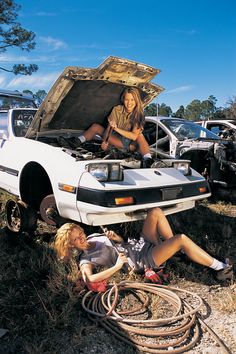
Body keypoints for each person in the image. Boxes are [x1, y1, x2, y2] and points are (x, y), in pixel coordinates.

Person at [53, 208, 233, 290]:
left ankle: (177, 251)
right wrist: (116, 266)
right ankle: (220, 269)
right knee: (181, 239)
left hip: (137, 244)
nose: (82, 238)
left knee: (155, 212)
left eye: (81, 233)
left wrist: (116, 238)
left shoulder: (93, 237)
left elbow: (120, 243)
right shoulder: (85, 259)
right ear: (71, 245)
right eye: (77, 239)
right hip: (141, 259)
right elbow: (90, 279)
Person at [77, 87, 153, 167]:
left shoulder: (139, 114)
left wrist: (117, 129)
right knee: (95, 127)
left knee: (140, 136)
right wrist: (105, 141)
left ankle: (148, 160)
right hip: (118, 141)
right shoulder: (117, 110)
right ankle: (77, 140)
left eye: (132, 100)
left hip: (131, 145)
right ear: (123, 99)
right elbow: (109, 129)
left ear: (136, 101)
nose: (129, 103)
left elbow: (134, 136)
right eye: (127, 99)